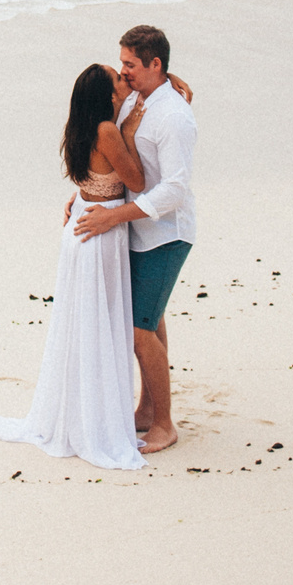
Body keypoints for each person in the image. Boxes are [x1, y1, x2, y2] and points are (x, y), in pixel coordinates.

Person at [0, 63, 153, 470]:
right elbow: (138, 181)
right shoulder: (108, 131)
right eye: (118, 79)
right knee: (100, 324)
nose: (124, 80)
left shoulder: (80, 127)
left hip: (81, 226)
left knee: (82, 323)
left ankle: (86, 410)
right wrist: (128, 130)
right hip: (100, 233)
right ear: (107, 95)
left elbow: (92, 177)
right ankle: (96, 419)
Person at [73, 24, 198, 453]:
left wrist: (115, 217)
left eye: (130, 65)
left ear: (154, 65)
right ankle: (147, 408)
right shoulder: (134, 101)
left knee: (138, 330)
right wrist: (84, 194)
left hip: (165, 234)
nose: (123, 73)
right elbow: (110, 156)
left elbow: (175, 189)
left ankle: (164, 423)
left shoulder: (173, 115)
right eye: (122, 64)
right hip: (136, 230)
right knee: (150, 319)